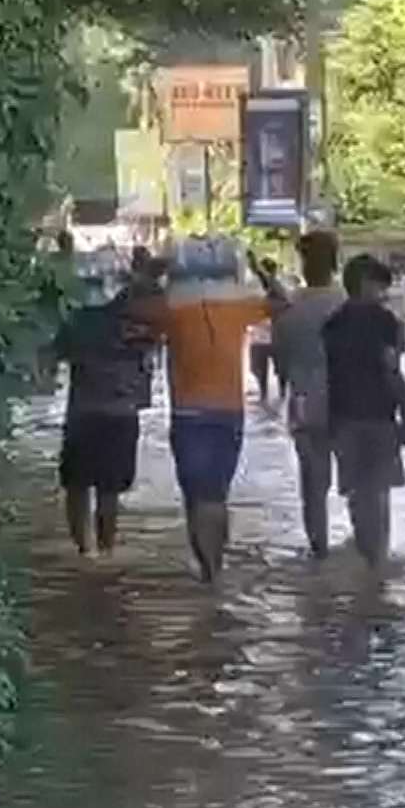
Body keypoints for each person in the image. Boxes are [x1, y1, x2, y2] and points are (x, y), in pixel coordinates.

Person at [144, 238, 272, 582]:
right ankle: (213, 568)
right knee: (215, 495)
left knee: (197, 496)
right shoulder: (238, 308)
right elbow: (282, 303)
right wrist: (262, 271)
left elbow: (133, 309)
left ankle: (209, 571)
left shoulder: (173, 310)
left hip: (188, 415)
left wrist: (148, 273)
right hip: (230, 413)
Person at [54, 274, 156, 558]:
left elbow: (52, 358)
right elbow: (147, 369)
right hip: (120, 416)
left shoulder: (76, 323)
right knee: (108, 490)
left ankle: (84, 551)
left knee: (77, 486)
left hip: (82, 415)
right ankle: (106, 550)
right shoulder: (138, 327)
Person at [324, 254, 405, 564]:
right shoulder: (385, 321)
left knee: (357, 493)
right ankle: (378, 560)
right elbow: (390, 368)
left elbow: (326, 375)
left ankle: (366, 555)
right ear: (365, 284)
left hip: (343, 417)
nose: (383, 293)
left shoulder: (332, 324)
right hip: (379, 416)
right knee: (379, 492)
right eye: (379, 286)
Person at [269, 232, 347, 559]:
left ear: (302, 261)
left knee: (313, 487)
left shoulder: (290, 307)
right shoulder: (348, 302)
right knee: (359, 484)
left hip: (304, 402)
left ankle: (320, 552)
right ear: (335, 261)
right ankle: (370, 560)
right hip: (348, 402)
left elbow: (280, 361)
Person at [248, 257, 284, 405]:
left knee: (278, 369)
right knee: (258, 368)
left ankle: (276, 394)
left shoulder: (278, 289)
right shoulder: (254, 288)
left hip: (273, 336)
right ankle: (267, 395)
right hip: (261, 336)